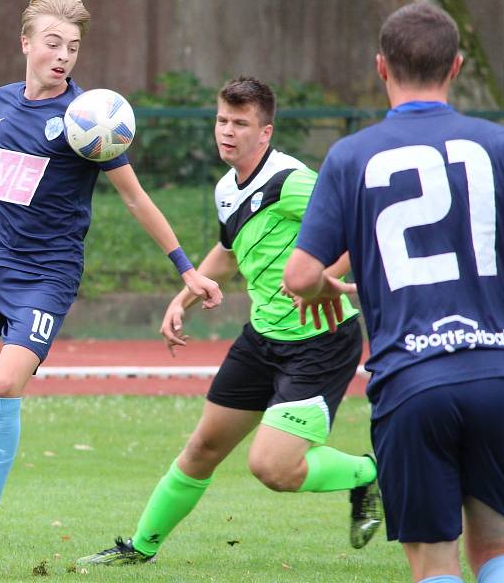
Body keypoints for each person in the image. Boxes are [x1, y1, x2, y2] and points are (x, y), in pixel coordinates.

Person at [0, 0, 222, 571]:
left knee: (4, 385)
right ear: (26, 43)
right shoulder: (2, 101)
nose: (63, 56)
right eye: (53, 43)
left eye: (73, 47)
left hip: (43, 275)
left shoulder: (89, 120)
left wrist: (186, 268)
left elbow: (134, 199)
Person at [76, 77, 382, 568]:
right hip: (263, 338)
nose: (228, 132)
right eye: (222, 121)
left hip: (319, 341)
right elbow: (226, 250)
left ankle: (372, 473)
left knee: (272, 467)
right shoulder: (227, 187)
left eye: (241, 124)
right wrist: (184, 296)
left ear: (266, 133)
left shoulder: (291, 180)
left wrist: (326, 276)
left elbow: (361, 225)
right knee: (203, 446)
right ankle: (139, 549)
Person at [283, 3, 504, 583]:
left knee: (434, 560)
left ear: (381, 67)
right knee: (499, 550)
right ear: (458, 66)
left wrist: (321, 285)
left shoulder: (350, 157)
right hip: (500, 374)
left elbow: (298, 277)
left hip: (412, 383)